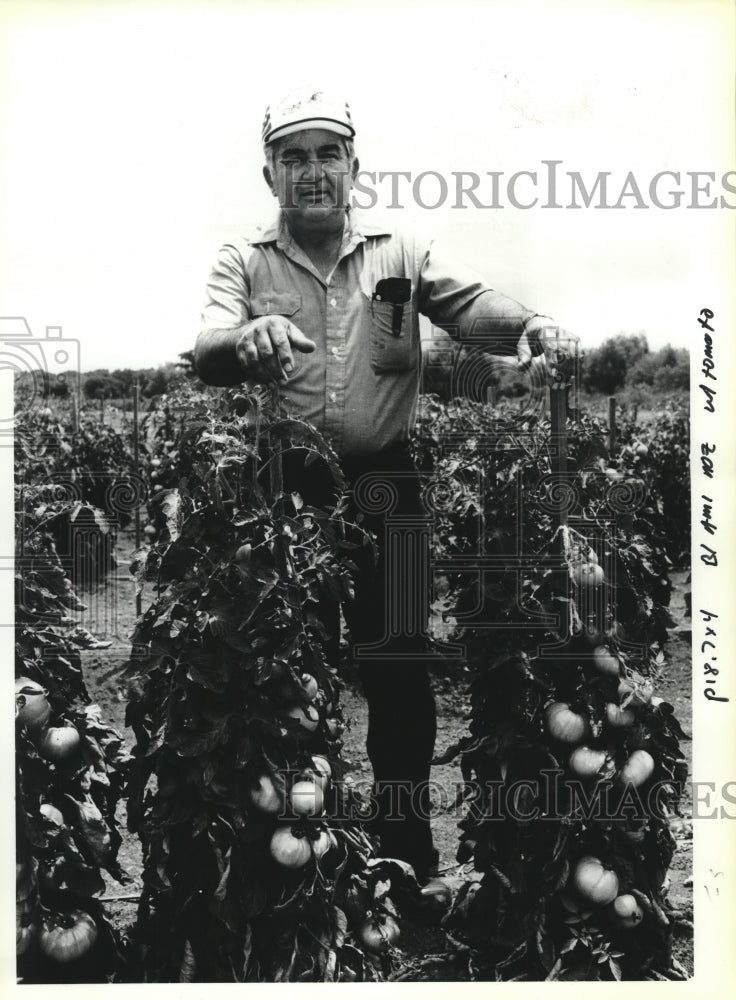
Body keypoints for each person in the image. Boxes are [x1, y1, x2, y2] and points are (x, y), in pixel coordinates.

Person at [194, 87, 551, 887]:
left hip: (388, 483)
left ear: (355, 165)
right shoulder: (243, 262)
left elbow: (471, 308)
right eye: (294, 156)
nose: (312, 171)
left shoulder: (402, 253)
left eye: (328, 153)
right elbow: (208, 344)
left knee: (398, 669)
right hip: (285, 496)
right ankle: (305, 855)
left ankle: (403, 852)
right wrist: (242, 337)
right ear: (269, 173)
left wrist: (525, 326)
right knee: (294, 670)